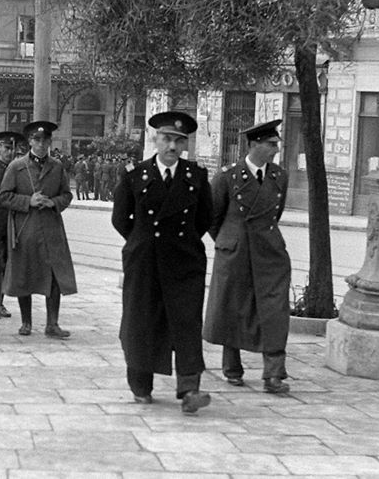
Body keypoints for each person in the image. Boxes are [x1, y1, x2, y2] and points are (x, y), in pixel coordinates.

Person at [111, 111, 213, 412]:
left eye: (179, 141)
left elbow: (205, 218)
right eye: (167, 139)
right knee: (140, 320)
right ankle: (141, 385)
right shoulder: (134, 174)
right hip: (145, 262)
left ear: (185, 146)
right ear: (154, 139)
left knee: (187, 323)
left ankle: (189, 389)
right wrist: (142, 241)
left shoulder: (196, 176)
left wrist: (180, 243)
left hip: (184, 262)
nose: (172, 146)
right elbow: (120, 219)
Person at [203, 119, 292, 394]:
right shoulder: (227, 177)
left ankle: (274, 375)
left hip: (270, 253)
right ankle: (232, 369)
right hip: (236, 253)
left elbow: (275, 215)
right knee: (233, 307)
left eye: (276, 144)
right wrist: (230, 242)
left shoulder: (279, 176)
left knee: (275, 311)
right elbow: (212, 218)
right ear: (254, 145)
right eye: (271, 144)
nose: (276, 149)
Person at [0, 121, 77, 338]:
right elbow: (4, 196)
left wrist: (54, 203)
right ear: (29, 142)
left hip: (51, 229)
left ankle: (52, 324)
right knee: (25, 274)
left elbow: (66, 194)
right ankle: (26, 323)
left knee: (54, 277)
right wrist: (28, 201)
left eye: (45, 140)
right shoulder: (16, 166)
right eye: (37, 140)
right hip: (26, 229)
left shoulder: (57, 166)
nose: (41, 144)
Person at [0, 131, 23, 321]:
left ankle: (0, 302)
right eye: (7, 148)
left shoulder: (19, 170)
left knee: (8, 264)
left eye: (13, 149)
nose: (10, 152)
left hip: (14, 225)